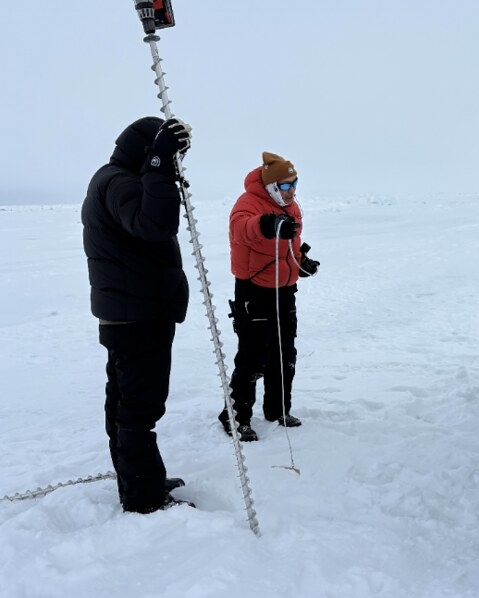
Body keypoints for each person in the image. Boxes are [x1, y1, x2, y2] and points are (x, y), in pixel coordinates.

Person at [82, 116, 193, 514]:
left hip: (132, 314)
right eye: (169, 154)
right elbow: (154, 224)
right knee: (139, 406)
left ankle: (136, 479)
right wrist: (160, 170)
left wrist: (161, 175)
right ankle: (144, 496)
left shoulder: (117, 180)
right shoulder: (119, 182)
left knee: (126, 400)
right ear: (147, 151)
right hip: (137, 317)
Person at [218, 152, 320, 442]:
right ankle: (235, 418)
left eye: (295, 182)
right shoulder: (247, 203)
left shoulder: (291, 206)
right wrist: (267, 225)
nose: (293, 190)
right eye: (286, 185)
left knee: (285, 352)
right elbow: (243, 230)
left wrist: (301, 263)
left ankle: (278, 410)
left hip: (285, 290)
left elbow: (290, 245)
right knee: (253, 356)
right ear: (272, 186)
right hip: (254, 290)